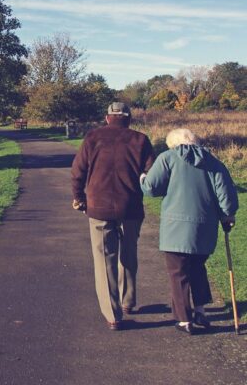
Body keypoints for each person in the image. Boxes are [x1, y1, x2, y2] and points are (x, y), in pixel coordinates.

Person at [140, 128, 239, 335]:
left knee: (178, 273)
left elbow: (151, 188)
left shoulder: (168, 158)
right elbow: (226, 197)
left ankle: (184, 319)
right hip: (205, 228)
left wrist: (142, 178)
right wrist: (227, 216)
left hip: (176, 229)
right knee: (197, 268)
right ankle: (200, 311)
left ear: (173, 144)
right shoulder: (213, 162)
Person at [71, 102, 155, 330]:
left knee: (104, 260)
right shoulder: (141, 139)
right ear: (128, 119)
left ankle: (113, 315)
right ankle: (128, 301)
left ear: (107, 118)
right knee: (128, 253)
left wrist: (78, 197)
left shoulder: (93, 137)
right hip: (131, 207)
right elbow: (151, 173)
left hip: (99, 207)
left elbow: (78, 170)